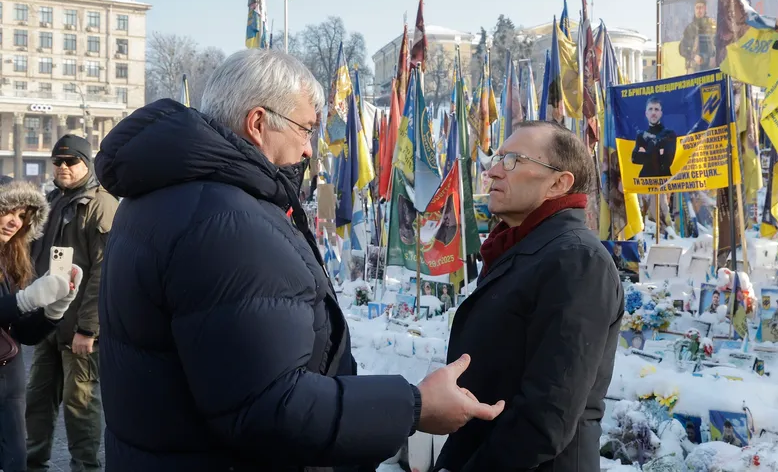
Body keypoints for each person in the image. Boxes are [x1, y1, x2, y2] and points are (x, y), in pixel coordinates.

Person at [94, 49, 503, 472]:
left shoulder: (162, 196)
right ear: (257, 124)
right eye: (305, 129)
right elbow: (270, 408)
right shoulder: (227, 221)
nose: (310, 149)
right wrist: (414, 407)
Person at [434, 121, 624, 472]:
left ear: (559, 183)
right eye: (497, 158)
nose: (492, 171)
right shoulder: (522, 248)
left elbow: (547, 414)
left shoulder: (578, 260)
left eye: (512, 160)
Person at [26, 135, 119, 472]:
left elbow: (104, 271)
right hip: (47, 321)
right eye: (58, 161)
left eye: (71, 161)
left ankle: (85, 468)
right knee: (36, 400)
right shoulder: (51, 201)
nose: (63, 167)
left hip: (78, 326)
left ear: (86, 163)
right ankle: (32, 465)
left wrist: (88, 328)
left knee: (79, 407)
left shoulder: (101, 203)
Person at [0, 177, 81, 472]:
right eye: (7, 211)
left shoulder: (11, 261)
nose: (14, 222)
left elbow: (22, 332)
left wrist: (54, 310)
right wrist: (25, 299)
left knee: (15, 461)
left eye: (22, 216)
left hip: (10, 377)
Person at [632, 98, 677, 178]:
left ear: (661, 113)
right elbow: (635, 158)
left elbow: (667, 161)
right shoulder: (641, 136)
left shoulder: (669, 134)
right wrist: (659, 151)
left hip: (664, 182)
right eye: (650, 109)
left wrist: (646, 152)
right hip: (644, 183)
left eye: (656, 109)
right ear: (646, 113)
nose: (653, 113)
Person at [679, 0, 716, 74]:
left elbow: (718, 46)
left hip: (710, 68)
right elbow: (682, 49)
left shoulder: (712, 25)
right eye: (697, 8)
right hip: (694, 67)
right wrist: (694, 56)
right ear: (694, 9)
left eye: (701, 7)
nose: (699, 10)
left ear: (705, 9)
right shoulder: (690, 28)